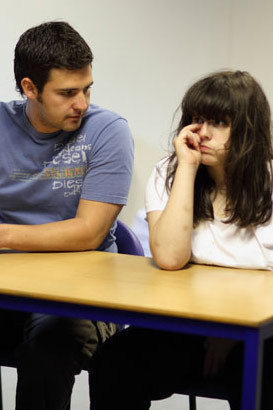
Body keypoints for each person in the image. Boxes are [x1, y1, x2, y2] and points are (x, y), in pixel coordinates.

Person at [89, 70, 273, 410]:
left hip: (259, 331)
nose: (202, 133)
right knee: (114, 361)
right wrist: (187, 169)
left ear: (247, 129)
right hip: (185, 326)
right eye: (197, 119)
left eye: (218, 122)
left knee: (260, 377)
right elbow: (171, 257)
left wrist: (229, 331)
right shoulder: (169, 172)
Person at [0, 21, 133, 410]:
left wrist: (4, 236)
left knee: (48, 348)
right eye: (67, 93)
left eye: (87, 89)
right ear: (29, 88)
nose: (82, 103)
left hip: (82, 295)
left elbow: (88, 233)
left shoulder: (108, 131)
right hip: (10, 287)